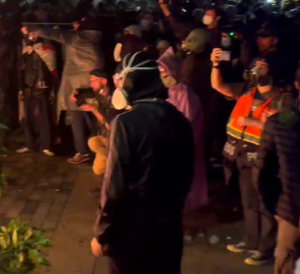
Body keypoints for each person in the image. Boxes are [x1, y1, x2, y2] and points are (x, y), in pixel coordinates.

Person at [91, 51, 194, 274]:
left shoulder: (126, 123)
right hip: (169, 229)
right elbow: (187, 176)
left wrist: (102, 233)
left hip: (132, 232)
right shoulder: (180, 120)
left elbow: (114, 187)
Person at [212, 49, 286, 266]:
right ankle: (251, 241)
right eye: (255, 65)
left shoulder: (282, 99)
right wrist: (215, 66)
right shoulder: (246, 91)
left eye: (262, 66)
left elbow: (286, 131)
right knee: (249, 203)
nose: (256, 69)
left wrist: (255, 123)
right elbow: (218, 86)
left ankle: (266, 248)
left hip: (266, 160)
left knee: (265, 204)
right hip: (243, 157)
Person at [257, 64, 300, 273]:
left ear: (297, 86)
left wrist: (274, 209)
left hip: (292, 212)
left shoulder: (280, 123)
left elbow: (262, 174)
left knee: (289, 263)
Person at [28, 16, 104, 165]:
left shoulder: (77, 38)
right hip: (93, 81)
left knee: (77, 117)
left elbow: (57, 35)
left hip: (77, 83)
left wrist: (35, 30)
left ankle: (82, 151)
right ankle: (99, 147)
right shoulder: (95, 38)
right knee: (93, 116)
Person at [158, 47, 208, 214]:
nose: (162, 76)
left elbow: (187, 121)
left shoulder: (183, 92)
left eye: (164, 72)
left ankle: (189, 206)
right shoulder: (167, 92)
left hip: (185, 141)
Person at [17, 30, 56, 156]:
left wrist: (51, 88)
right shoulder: (25, 50)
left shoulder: (47, 48)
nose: (29, 35)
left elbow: (52, 70)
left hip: (42, 85)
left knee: (44, 116)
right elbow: (21, 70)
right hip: (28, 85)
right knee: (28, 117)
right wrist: (21, 87)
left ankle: (46, 145)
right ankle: (29, 143)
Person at [81, 70, 115, 176]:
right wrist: (76, 94)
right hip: (104, 136)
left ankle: (112, 159)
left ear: (104, 81)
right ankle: (109, 157)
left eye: (94, 80)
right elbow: (85, 92)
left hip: (113, 136)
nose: (91, 84)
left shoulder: (114, 97)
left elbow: (108, 122)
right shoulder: (100, 94)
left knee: (98, 169)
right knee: (92, 142)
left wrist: (93, 110)